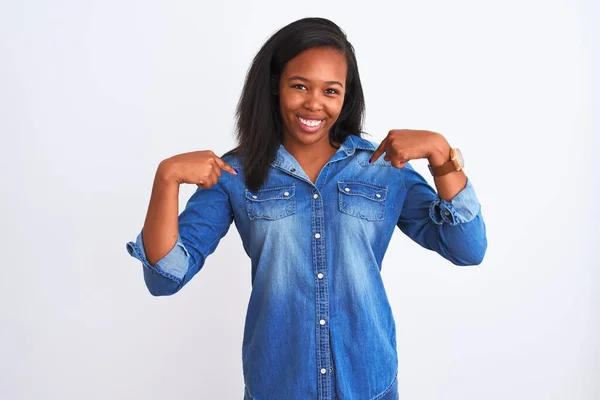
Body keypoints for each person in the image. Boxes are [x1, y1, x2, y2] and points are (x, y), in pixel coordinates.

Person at [126, 17, 487, 400]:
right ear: (275, 87)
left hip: (368, 386)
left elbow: (467, 249)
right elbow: (164, 278)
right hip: (278, 387)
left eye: (331, 90)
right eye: (299, 86)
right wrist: (166, 179)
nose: (314, 103)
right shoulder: (237, 174)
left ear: (346, 96)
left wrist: (440, 154)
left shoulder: (384, 168)